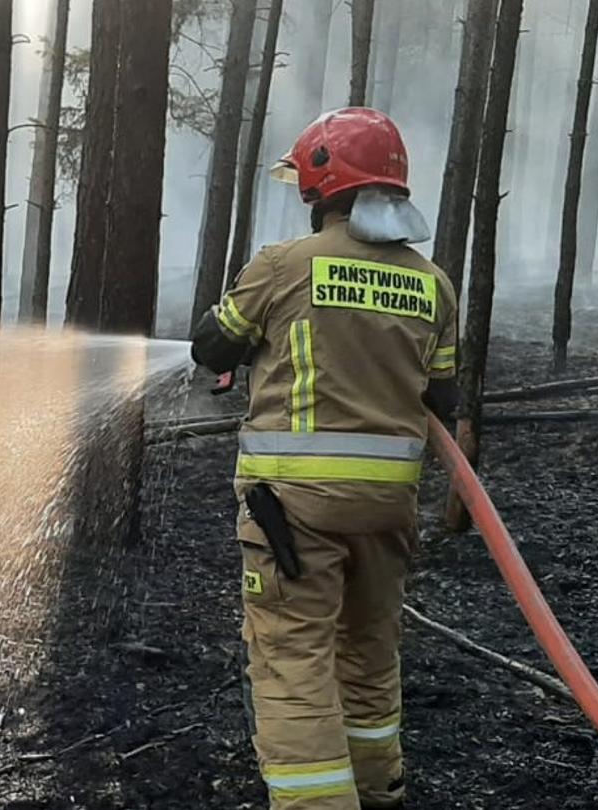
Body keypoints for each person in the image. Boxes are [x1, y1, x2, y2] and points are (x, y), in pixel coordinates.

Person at [190, 107, 460, 810]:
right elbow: (445, 398)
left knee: (292, 665)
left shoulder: (284, 266)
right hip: (388, 510)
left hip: (294, 514)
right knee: (370, 655)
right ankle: (379, 790)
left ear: (321, 182)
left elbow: (212, 347)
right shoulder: (435, 284)